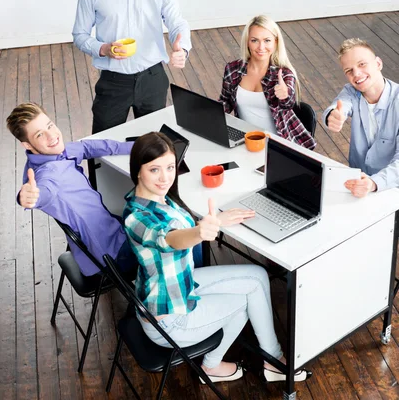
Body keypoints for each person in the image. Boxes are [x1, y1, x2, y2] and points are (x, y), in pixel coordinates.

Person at [123, 132, 308, 384]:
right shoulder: (137, 218)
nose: (165, 177)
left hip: (181, 287)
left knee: (257, 276)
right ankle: (214, 366)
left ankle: (271, 360)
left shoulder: (157, 199)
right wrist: (200, 232)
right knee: (247, 300)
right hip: (169, 320)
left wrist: (217, 221)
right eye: (154, 170)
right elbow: (168, 238)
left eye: (169, 167)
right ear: (138, 171)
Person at [72, 0, 191, 133]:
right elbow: (80, 34)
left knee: (154, 148)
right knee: (101, 149)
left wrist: (181, 48)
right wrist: (104, 49)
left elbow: (177, 24)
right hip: (113, 82)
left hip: (153, 79)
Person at [6, 102, 137, 276]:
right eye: (39, 135)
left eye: (50, 126)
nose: (52, 136)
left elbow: (86, 147)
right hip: (111, 257)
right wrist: (27, 197)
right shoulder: (49, 175)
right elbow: (43, 193)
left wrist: (137, 146)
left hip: (109, 231)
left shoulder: (55, 153)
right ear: (27, 145)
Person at [219, 15, 316, 149]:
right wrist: (204, 112)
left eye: (267, 40)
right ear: (247, 42)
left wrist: (285, 95)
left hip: (278, 146)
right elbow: (225, 103)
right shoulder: (233, 69)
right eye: (254, 40)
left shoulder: (284, 74)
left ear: (275, 42)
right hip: (246, 142)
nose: (261, 47)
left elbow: (288, 103)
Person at [323, 38, 399, 198]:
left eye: (362, 64)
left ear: (378, 64)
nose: (356, 74)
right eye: (349, 71)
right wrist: (333, 116)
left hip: (391, 188)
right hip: (358, 185)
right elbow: (340, 105)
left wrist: (373, 183)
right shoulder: (351, 91)